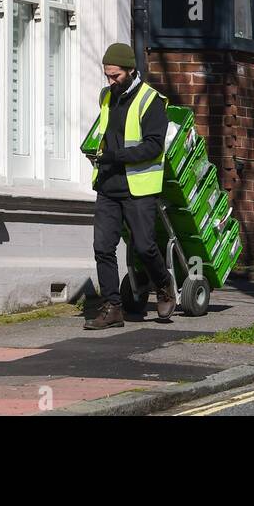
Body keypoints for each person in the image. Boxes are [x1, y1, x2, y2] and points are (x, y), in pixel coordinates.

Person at [83, 43, 177, 329]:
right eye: (107, 76)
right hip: (109, 184)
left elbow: (153, 146)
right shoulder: (106, 96)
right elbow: (105, 132)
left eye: (115, 76)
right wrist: (97, 152)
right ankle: (112, 307)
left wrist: (117, 155)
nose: (111, 82)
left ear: (131, 71)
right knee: (102, 247)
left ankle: (163, 286)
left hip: (138, 186)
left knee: (146, 246)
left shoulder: (151, 101)